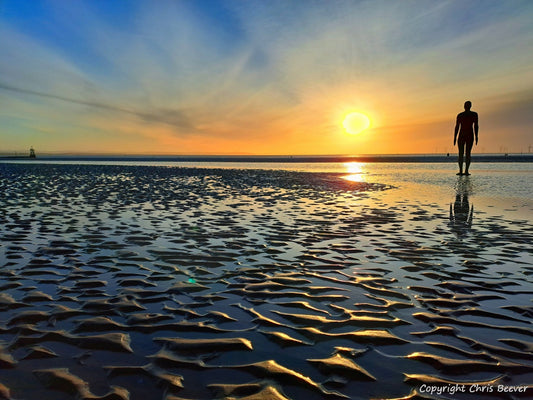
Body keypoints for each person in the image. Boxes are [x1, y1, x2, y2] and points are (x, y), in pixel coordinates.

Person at [453, 101, 478, 175]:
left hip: (469, 135)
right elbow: (457, 126)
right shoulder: (460, 115)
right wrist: (454, 137)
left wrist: (476, 136)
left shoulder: (474, 115)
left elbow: (476, 126)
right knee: (461, 153)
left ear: (470, 106)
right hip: (462, 135)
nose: (466, 107)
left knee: (467, 153)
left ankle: (466, 171)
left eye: (467, 105)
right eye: (465, 105)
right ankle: (461, 171)